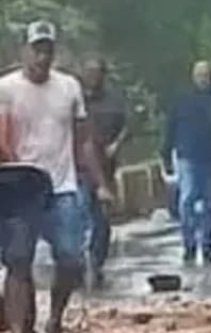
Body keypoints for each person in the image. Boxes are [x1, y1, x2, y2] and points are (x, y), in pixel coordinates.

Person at [0, 21, 112, 333]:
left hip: (62, 186)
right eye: (36, 49)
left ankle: (55, 319)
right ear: (24, 51)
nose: (42, 56)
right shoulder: (6, 89)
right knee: (19, 261)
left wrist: (101, 184)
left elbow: (84, 142)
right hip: (20, 187)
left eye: (48, 49)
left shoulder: (68, 88)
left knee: (71, 259)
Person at [161, 60, 211, 265]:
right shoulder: (182, 101)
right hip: (188, 157)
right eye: (200, 75)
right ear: (193, 77)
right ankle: (189, 244)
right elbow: (170, 128)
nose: (203, 79)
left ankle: (207, 244)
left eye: (207, 75)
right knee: (187, 200)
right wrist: (166, 154)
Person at [81, 57, 129, 286]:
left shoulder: (114, 100)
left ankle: (96, 260)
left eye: (97, 72)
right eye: (89, 72)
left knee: (101, 220)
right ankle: (80, 260)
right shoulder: (76, 98)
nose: (93, 77)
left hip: (106, 166)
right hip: (78, 168)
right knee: (81, 214)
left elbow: (127, 125)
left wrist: (117, 144)